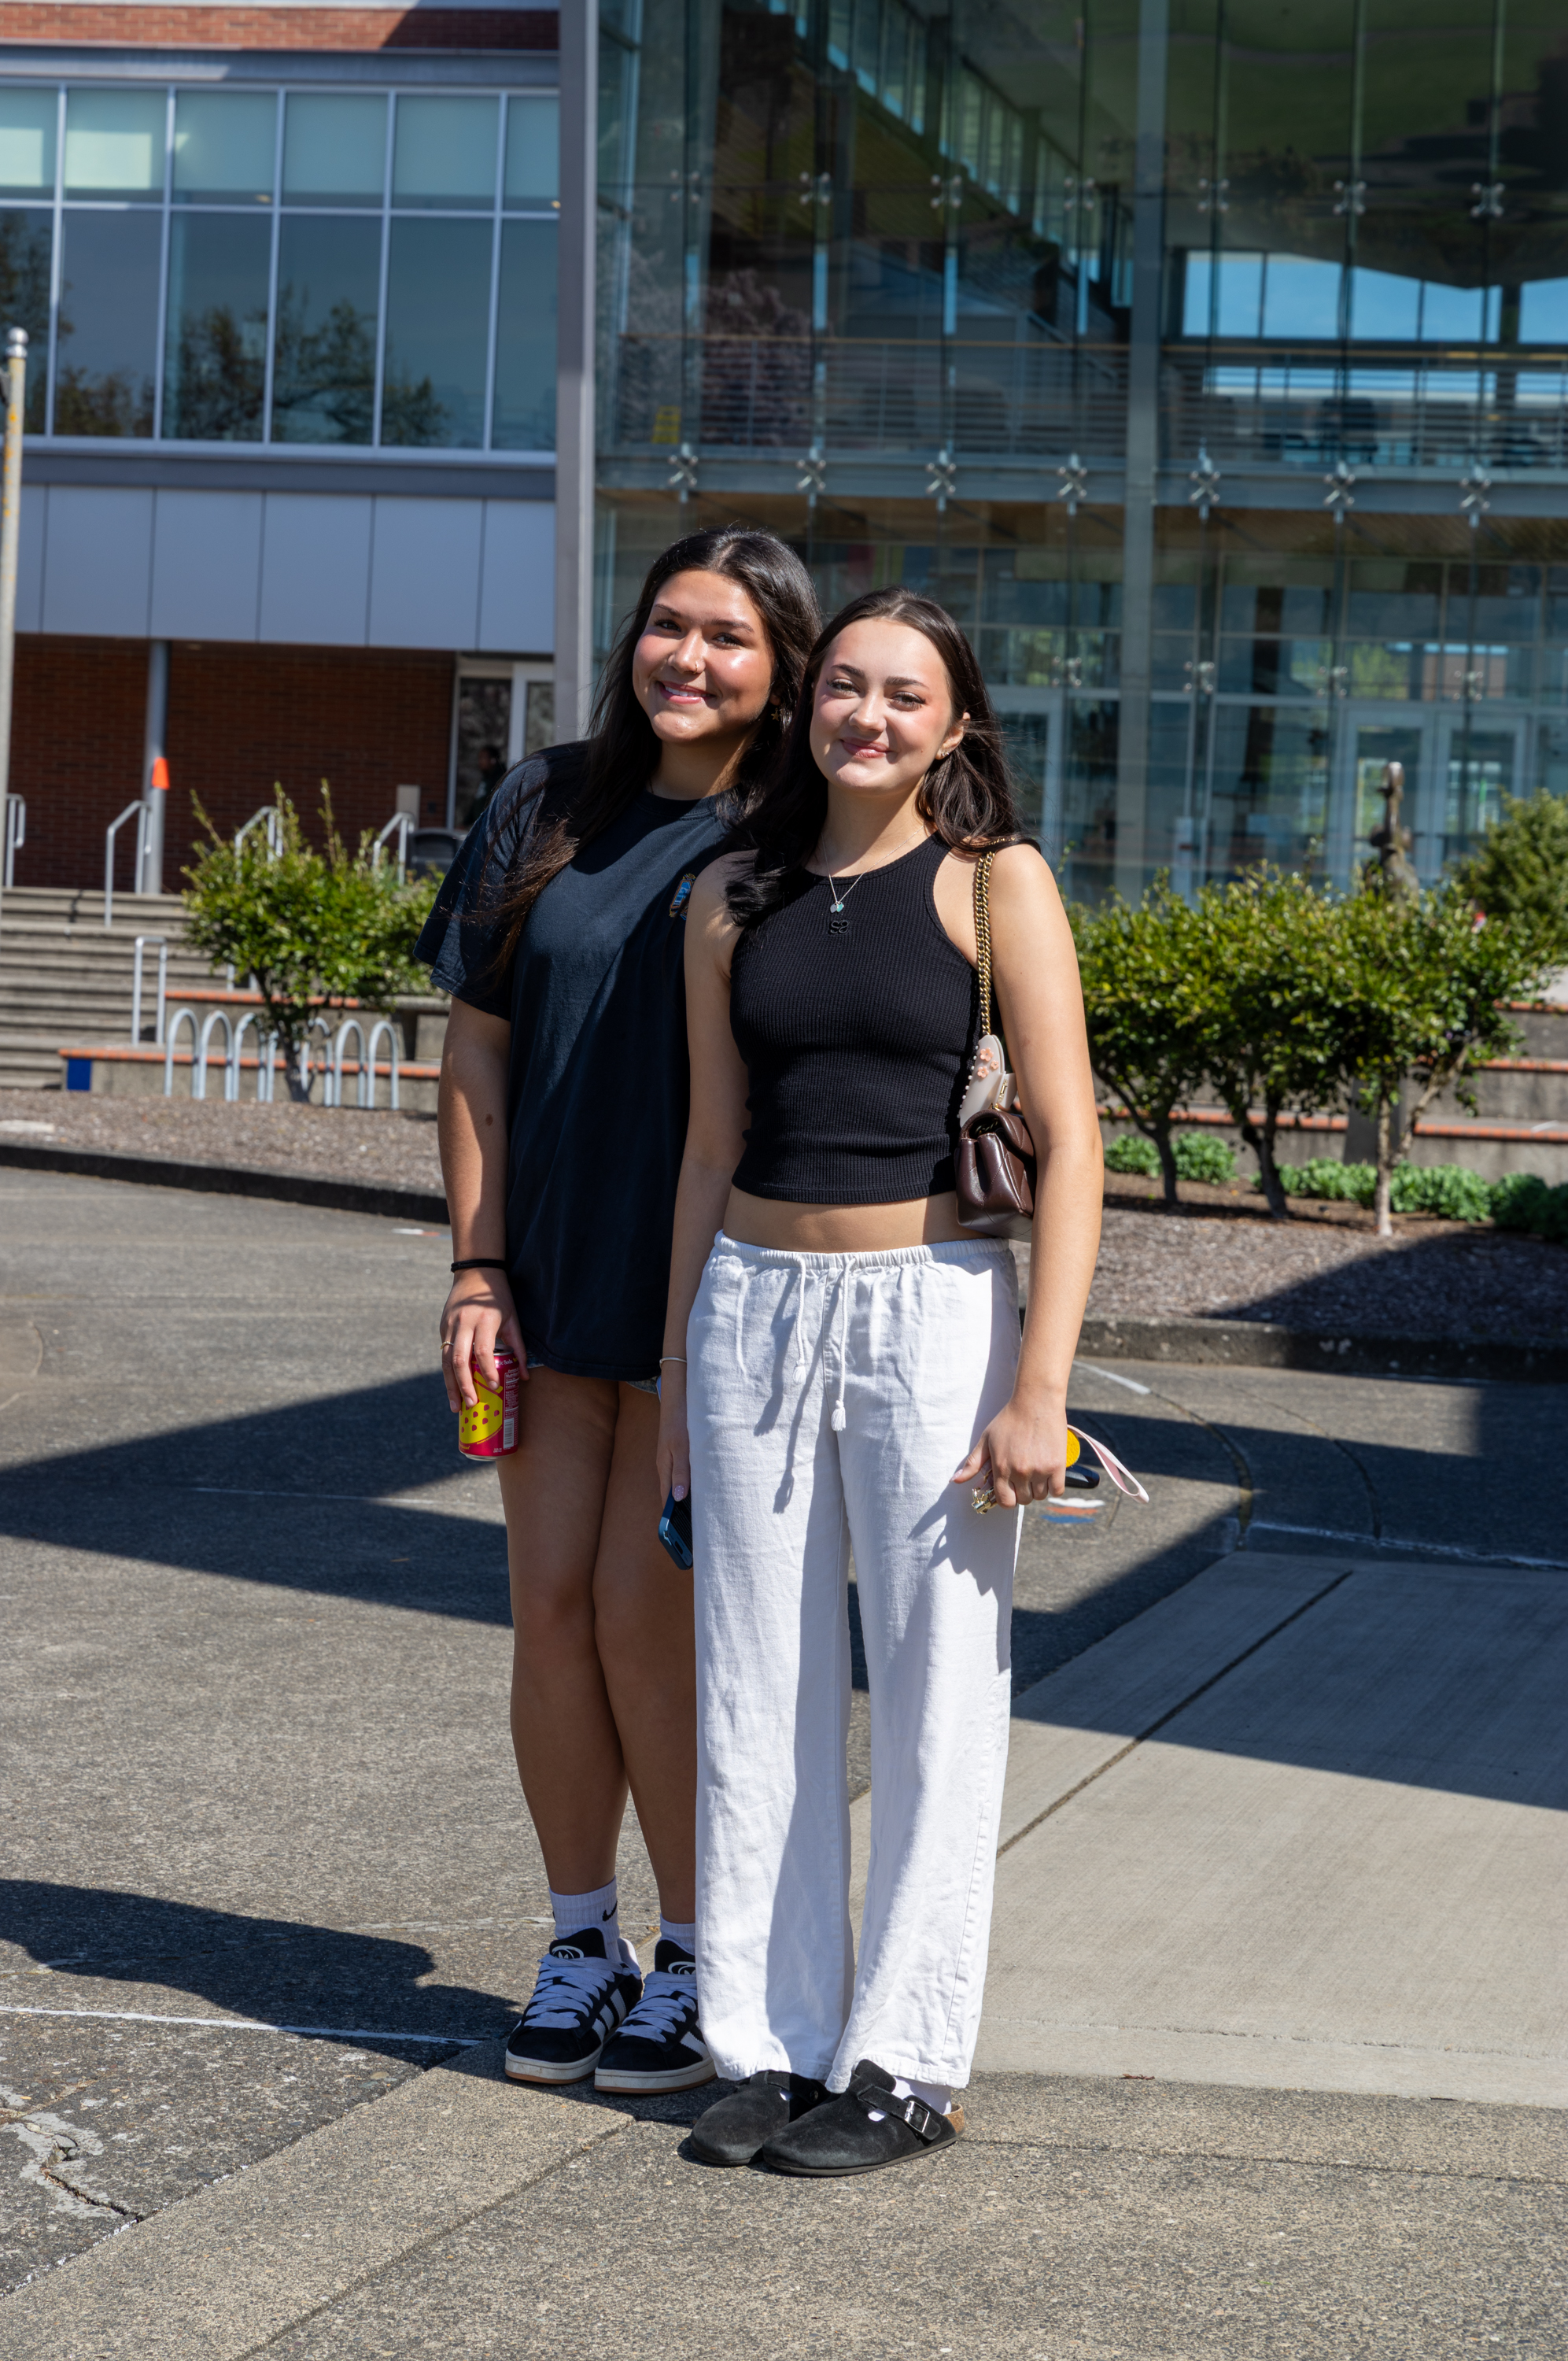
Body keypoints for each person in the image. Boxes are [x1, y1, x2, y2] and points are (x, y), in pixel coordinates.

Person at [656, 588, 1102, 2174]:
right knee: (751, 1691)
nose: (867, 714)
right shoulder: (731, 894)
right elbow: (708, 1146)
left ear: (953, 722)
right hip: (750, 1307)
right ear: (806, 705)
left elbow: (1071, 1148)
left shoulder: (995, 883)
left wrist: (1038, 1389)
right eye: (843, 684)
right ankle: (770, 2047)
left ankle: (903, 2063)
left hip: (933, 1311)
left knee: (931, 1694)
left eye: (905, 694)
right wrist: (675, 1386)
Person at [419, 527, 820, 2094]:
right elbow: (476, 1046)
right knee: (550, 1615)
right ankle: (580, 1943)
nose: (687, 659)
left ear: (781, 667)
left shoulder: (794, 832)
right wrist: (475, 1265)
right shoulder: (547, 800)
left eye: (728, 637)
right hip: (540, 1280)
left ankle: (700, 1951)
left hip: (706, 1296)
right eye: (668, 625)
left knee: (652, 1634)